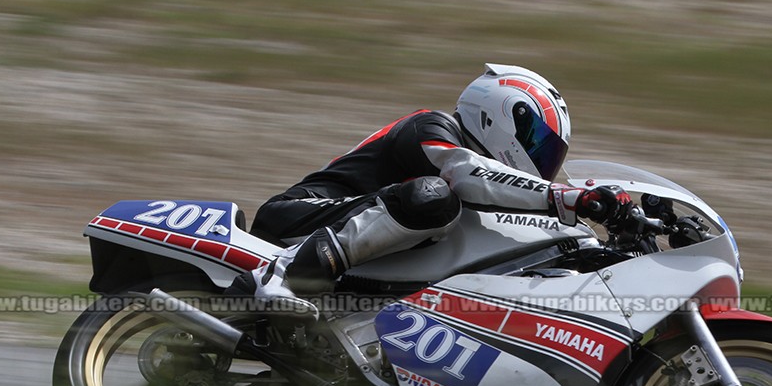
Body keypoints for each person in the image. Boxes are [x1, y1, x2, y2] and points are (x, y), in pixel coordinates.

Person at [229, 62, 632, 318]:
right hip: (299, 216)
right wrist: (564, 197)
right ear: (498, 116)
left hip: (360, 242)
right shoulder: (432, 127)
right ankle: (282, 276)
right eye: (537, 143)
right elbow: (466, 173)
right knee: (434, 196)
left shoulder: (484, 177)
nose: (541, 161)